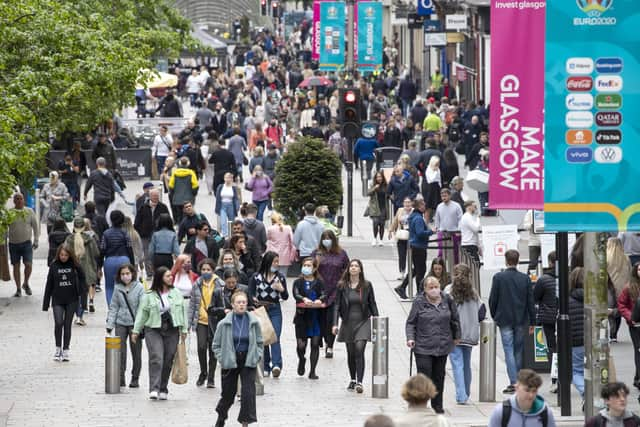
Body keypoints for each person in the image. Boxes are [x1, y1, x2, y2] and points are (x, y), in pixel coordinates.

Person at [132, 266, 188, 400]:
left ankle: (163, 388)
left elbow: (182, 312)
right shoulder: (149, 295)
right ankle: (154, 388)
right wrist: (136, 330)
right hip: (153, 328)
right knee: (157, 357)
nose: (171, 278)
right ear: (160, 278)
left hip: (172, 329)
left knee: (168, 359)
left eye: (171, 276)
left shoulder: (176, 293)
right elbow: (142, 313)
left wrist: (184, 329)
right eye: (167, 276)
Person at [406, 276, 460, 413]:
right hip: (423, 346)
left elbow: (455, 319)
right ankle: (420, 404)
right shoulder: (419, 302)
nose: (434, 290)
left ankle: (437, 405)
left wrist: (457, 336)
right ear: (425, 289)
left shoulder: (447, 299)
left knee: (439, 376)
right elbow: (411, 322)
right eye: (431, 287)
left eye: (436, 286)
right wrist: (410, 338)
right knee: (424, 376)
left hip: (442, 345)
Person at [212, 290, 263, 427]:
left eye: (244, 302)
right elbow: (216, 345)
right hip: (230, 360)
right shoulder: (224, 323)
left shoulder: (254, 322)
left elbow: (259, 342)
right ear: (233, 304)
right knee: (228, 394)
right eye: (239, 302)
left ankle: (245, 423)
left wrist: (257, 355)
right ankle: (221, 417)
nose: (242, 305)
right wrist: (222, 358)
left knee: (248, 393)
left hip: (248, 359)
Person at [489, 249, 536, 394]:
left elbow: (492, 299)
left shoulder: (498, 277)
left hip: (504, 319)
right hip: (520, 319)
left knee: (508, 350)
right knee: (518, 350)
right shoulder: (525, 278)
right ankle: (517, 381)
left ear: (506, 260)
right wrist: (533, 321)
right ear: (518, 260)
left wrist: (494, 316)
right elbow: (530, 301)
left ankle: (513, 382)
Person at [332, 259, 379, 394]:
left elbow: (372, 303)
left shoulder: (367, 285)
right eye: (351, 266)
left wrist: (378, 320)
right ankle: (352, 379)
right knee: (351, 353)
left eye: (356, 266)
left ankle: (360, 381)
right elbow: (336, 306)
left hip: (363, 321)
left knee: (359, 349)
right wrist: (335, 324)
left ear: (360, 269)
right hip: (348, 322)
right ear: (348, 269)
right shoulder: (342, 286)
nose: (353, 268)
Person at [445, 264, 485, 405]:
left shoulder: (448, 291)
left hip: (454, 333)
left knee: (457, 364)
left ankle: (461, 395)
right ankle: (466, 392)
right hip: (470, 333)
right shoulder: (473, 292)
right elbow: (482, 312)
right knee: (466, 364)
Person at [248, 251, 289, 377]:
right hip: (261, 309)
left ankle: (276, 364)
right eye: (275, 261)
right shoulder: (256, 277)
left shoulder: (280, 277)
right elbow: (250, 292)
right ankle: (265, 365)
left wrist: (281, 289)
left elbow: (285, 296)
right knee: (264, 337)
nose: (277, 264)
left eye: (278, 261)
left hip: (275, 309)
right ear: (268, 261)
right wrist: (254, 300)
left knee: (275, 336)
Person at [42, 245, 86, 362]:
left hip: (72, 299)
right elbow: (49, 284)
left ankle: (66, 350)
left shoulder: (75, 265)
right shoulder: (54, 265)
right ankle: (58, 348)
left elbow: (83, 279)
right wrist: (46, 303)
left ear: (70, 255)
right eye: (61, 255)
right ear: (58, 254)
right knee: (58, 322)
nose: (63, 257)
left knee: (67, 324)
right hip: (57, 299)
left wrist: (84, 300)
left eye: (66, 255)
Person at [312, 230, 350, 358]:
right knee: (321, 319)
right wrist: (316, 261)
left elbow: (347, 269)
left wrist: (343, 282)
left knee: (331, 319)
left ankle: (330, 345)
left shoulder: (341, 254)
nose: (326, 240)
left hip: (335, 290)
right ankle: (323, 339)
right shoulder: (317, 253)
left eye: (329, 238)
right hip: (320, 291)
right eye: (324, 238)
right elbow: (309, 270)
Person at [106, 264, 144, 388]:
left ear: (133, 273)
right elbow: (114, 306)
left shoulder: (139, 288)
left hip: (135, 324)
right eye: (123, 274)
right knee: (120, 352)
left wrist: (139, 327)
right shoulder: (118, 288)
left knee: (136, 352)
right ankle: (120, 377)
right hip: (120, 322)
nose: (125, 276)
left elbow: (142, 308)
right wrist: (110, 324)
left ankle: (135, 378)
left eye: (127, 273)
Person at [189, 258, 224, 388]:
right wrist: (188, 323)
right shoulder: (197, 284)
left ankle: (211, 377)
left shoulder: (220, 284)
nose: (206, 272)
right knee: (201, 347)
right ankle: (203, 372)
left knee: (213, 349)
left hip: (215, 321)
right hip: (201, 320)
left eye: (208, 269)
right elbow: (192, 304)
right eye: (203, 269)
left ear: (213, 270)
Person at [292, 257, 326, 380]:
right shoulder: (298, 282)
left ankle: (312, 371)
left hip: (316, 317)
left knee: (315, 344)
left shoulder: (319, 282)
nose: (306, 267)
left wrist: (319, 300)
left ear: (315, 268)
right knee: (301, 345)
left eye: (309, 265)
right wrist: (303, 299)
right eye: (304, 265)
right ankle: (302, 359)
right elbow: (296, 294)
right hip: (302, 317)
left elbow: (324, 293)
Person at [487, 369, 556, 427]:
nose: (531, 395)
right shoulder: (501, 412)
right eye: (527, 390)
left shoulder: (545, 413)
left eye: (534, 391)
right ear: (516, 388)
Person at [395, 199, 433, 299]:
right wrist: (431, 232)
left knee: (416, 269)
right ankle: (418, 292)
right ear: (419, 206)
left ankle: (403, 287)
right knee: (421, 270)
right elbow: (420, 233)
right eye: (423, 205)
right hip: (419, 246)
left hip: (415, 246)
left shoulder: (414, 216)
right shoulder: (418, 218)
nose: (425, 207)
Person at [65, 217, 100, 326]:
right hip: (86, 269)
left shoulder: (69, 239)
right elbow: (96, 253)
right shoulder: (90, 239)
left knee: (73, 293)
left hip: (72, 269)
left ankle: (75, 314)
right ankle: (80, 315)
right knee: (83, 293)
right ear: (84, 227)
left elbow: (64, 253)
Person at [533, 251, 559, 393]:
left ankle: (555, 379)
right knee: (565, 348)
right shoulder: (568, 277)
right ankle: (562, 377)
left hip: (549, 318)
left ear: (549, 262)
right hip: (565, 318)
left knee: (553, 348)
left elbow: (535, 297)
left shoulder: (543, 280)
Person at [100, 210, 135, 305]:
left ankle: (112, 310)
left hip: (110, 261)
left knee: (110, 287)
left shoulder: (106, 233)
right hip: (124, 260)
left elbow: (102, 250)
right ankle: (124, 306)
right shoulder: (124, 233)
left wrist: (99, 267)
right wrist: (132, 265)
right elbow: (129, 248)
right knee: (125, 286)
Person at [8, 193, 39, 297]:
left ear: (24, 200)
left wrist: (36, 240)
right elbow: (4, 229)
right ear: (14, 201)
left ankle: (26, 283)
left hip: (26, 243)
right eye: (17, 199)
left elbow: (35, 226)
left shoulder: (29, 211)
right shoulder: (10, 213)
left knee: (28, 265)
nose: (20, 201)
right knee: (16, 266)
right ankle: (18, 289)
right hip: (13, 244)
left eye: (21, 198)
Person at [617, 262, 640, 391]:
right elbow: (622, 304)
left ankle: (637, 376)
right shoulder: (629, 288)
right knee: (638, 350)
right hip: (636, 325)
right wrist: (631, 317)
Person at [608, 237, 631, 342]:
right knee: (619, 309)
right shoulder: (626, 258)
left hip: (610, 288)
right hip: (623, 288)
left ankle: (611, 332)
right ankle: (614, 334)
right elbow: (630, 273)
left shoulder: (606, 258)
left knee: (609, 310)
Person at [568, 267, 585, 399]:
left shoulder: (568, 300)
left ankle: (585, 392)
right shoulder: (593, 298)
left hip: (576, 341)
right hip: (593, 340)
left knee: (576, 371)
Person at [168, 157, 199, 225]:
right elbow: (195, 186)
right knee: (188, 215)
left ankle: (180, 229)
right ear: (188, 164)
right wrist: (193, 194)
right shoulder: (191, 173)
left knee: (179, 216)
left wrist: (174, 195)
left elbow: (171, 186)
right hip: (188, 199)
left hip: (177, 199)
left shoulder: (175, 173)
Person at [265, 212, 296, 277]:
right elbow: (292, 243)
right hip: (285, 256)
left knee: (272, 276)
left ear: (272, 221)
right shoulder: (288, 228)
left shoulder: (270, 229)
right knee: (283, 276)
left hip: (273, 256)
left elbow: (266, 239)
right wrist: (292, 256)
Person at [216, 172, 241, 237]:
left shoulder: (233, 188)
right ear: (224, 179)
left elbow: (236, 198)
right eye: (226, 178)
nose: (227, 179)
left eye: (229, 178)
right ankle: (224, 235)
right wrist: (217, 208)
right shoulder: (220, 187)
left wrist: (237, 206)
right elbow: (217, 197)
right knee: (223, 221)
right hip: (222, 205)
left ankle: (230, 236)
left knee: (231, 222)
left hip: (231, 205)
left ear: (231, 179)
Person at [367, 171, 388, 247]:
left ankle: (381, 240)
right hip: (375, 207)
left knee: (382, 224)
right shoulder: (372, 185)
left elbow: (389, 195)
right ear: (375, 178)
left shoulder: (386, 185)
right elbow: (368, 193)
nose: (379, 178)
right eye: (377, 177)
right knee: (375, 223)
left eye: (380, 177)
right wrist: (374, 188)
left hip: (383, 207)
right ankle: (374, 238)